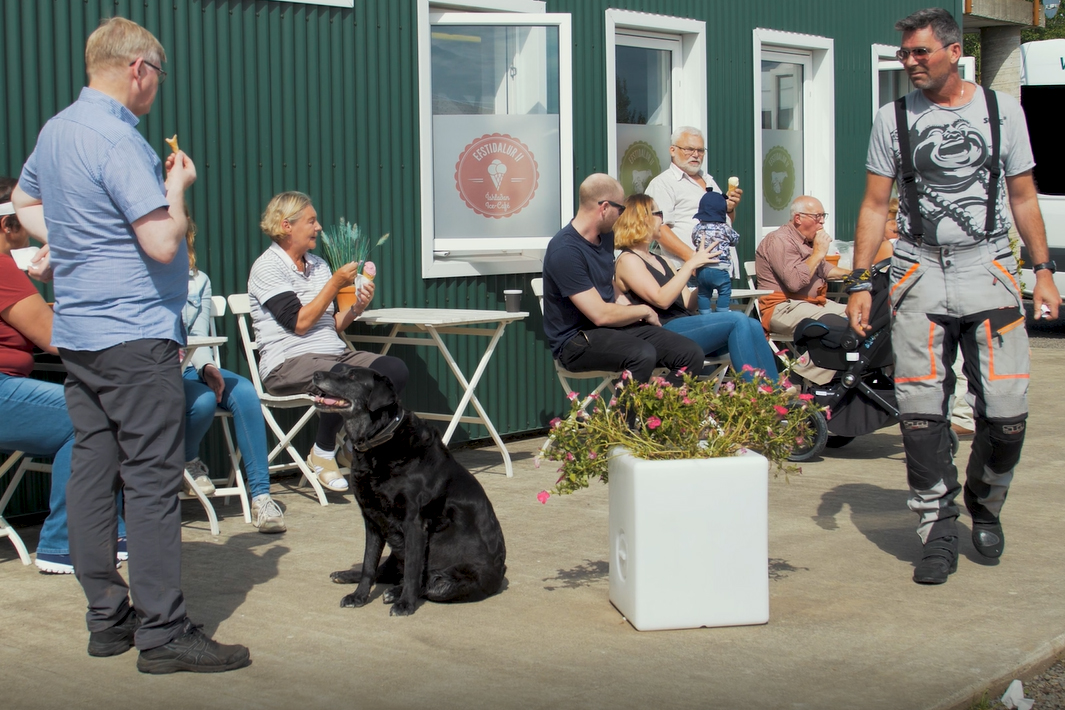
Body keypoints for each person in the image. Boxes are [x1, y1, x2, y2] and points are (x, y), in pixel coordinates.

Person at [12, 17, 249, 671]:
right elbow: (163, 242)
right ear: (138, 68)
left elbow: (24, 205)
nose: (157, 87)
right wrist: (176, 188)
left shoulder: (57, 130)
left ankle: (106, 618)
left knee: (93, 470)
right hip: (134, 333)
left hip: (81, 336)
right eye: (158, 75)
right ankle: (163, 632)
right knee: (149, 478)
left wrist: (72, 240)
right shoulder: (118, 139)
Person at [846, 7, 1061, 585]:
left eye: (921, 52)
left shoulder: (1001, 111)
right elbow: (874, 205)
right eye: (904, 53)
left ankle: (985, 503)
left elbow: (1023, 195)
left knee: (1007, 413)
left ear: (954, 51)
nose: (910, 62)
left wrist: (1043, 270)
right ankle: (937, 530)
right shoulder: (892, 118)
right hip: (918, 271)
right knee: (920, 414)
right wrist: (860, 282)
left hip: (989, 267)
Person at [0, 178, 130, 574]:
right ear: (8, 224)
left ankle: (110, 530)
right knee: (93, 419)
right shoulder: (3, 267)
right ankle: (64, 542)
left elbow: (32, 320)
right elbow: (55, 338)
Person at [248, 191, 408, 493]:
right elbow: (299, 323)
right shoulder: (267, 267)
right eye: (311, 221)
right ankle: (322, 451)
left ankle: (353, 443)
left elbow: (330, 324)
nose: (318, 227)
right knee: (343, 378)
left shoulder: (318, 264)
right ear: (286, 226)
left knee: (393, 370)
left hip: (333, 354)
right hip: (287, 363)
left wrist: (357, 307)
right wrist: (335, 283)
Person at [541, 174, 704, 385]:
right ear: (604, 207)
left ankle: (660, 406)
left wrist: (630, 310)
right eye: (621, 209)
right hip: (576, 341)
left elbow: (607, 283)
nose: (622, 216)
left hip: (611, 330)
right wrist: (643, 311)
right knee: (642, 354)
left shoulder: (605, 237)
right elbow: (600, 315)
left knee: (690, 353)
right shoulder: (565, 251)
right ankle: (626, 408)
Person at [182, 214, 285, 533]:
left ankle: (262, 497)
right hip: (154, 370)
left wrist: (208, 367)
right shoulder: (141, 274)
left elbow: (198, 335)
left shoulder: (198, 280)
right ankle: (186, 461)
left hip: (190, 365)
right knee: (202, 403)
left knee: (244, 392)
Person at [612, 194, 779, 379]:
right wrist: (691, 263)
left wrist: (709, 276)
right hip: (662, 332)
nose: (663, 220)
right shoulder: (628, 260)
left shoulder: (662, 260)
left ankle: (774, 392)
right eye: (658, 213)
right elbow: (661, 299)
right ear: (643, 219)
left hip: (686, 324)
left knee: (753, 325)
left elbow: (688, 303)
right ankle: (757, 392)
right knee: (737, 320)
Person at [754, 195, 851, 384]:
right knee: (838, 325)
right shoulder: (779, 240)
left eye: (823, 216)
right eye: (817, 216)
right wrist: (819, 252)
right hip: (783, 307)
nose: (822, 222)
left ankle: (805, 376)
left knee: (862, 317)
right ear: (798, 218)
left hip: (812, 305)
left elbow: (825, 269)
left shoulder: (805, 241)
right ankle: (793, 379)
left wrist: (856, 274)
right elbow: (795, 282)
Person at [644, 126, 742, 270]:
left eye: (700, 150)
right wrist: (692, 260)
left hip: (722, 267)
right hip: (689, 270)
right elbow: (659, 229)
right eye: (689, 149)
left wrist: (730, 209)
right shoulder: (663, 183)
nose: (695, 155)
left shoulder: (709, 180)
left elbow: (725, 222)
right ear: (673, 150)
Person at [691, 190, 741, 314]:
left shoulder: (698, 228)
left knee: (703, 293)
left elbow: (694, 240)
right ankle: (722, 313)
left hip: (702, 269)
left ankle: (704, 314)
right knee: (724, 291)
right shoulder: (725, 228)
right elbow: (735, 240)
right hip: (720, 268)